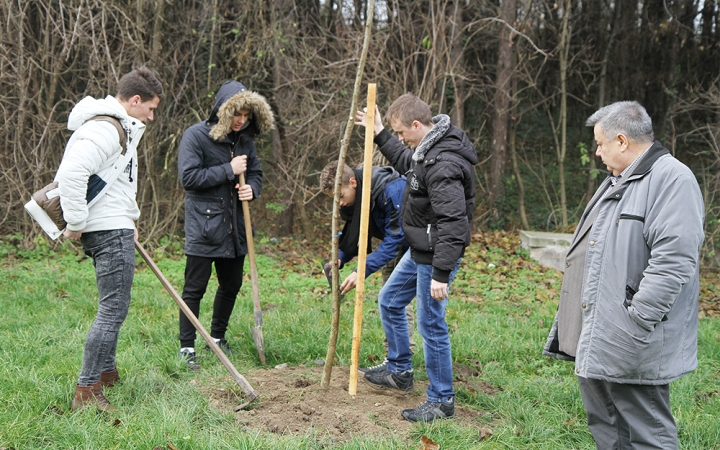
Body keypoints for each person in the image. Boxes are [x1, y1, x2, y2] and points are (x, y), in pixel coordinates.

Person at [543, 101, 704, 449]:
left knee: (647, 431)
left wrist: (639, 317)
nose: (598, 153)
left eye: (600, 144)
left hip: (631, 335)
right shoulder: (619, 180)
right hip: (600, 330)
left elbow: (674, 260)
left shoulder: (672, 179)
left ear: (621, 140)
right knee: (606, 421)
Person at [354, 94, 478, 422]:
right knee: (390, 300)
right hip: (421, 249)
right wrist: (379, 131)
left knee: (430, 323)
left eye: (400, 133)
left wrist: (441, 273)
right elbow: (405, 161)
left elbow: (454, 222)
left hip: (437, 254)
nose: (399, 140)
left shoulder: (444, 163)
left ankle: (441, 400)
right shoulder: (427, 151)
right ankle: (399, 371)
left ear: (417, 125)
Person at [56, 66, 163, 412]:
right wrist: (75, 221)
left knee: (114, 308)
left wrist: (130, 219)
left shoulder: (120, 127)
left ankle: (106, 371)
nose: (152, 114)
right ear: (135, 100)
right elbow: (72, 172)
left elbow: (116, 183)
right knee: (112, 310)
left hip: (115, 225)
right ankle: (87, 390)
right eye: (150, 107)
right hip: (106, 229)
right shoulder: (105, 128)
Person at [177, 80, 274, 368]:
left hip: (236, 227)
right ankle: (186, 347)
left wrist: (252, 189)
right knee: (194, 288)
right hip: (204, 227)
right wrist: (228, 170)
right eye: (237, 115)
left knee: (230, 285)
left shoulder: (245, 139)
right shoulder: (196, 136)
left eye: (246, 116)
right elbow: (189, 179)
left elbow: (255, 173)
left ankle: (217, 337)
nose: (241, 121)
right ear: (223, 110)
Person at [319, 161, 415, 369]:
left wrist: (360, 271)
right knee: (389, 299)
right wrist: (341, 256)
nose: (341, 204)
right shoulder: (360, 193)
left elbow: (395, 239)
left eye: (341, 197)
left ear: (352, 182)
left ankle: (400, 365)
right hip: (396, 245)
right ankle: (394, 360)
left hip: (414, 247)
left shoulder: (391, 189)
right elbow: (357, 225)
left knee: (395, 300)